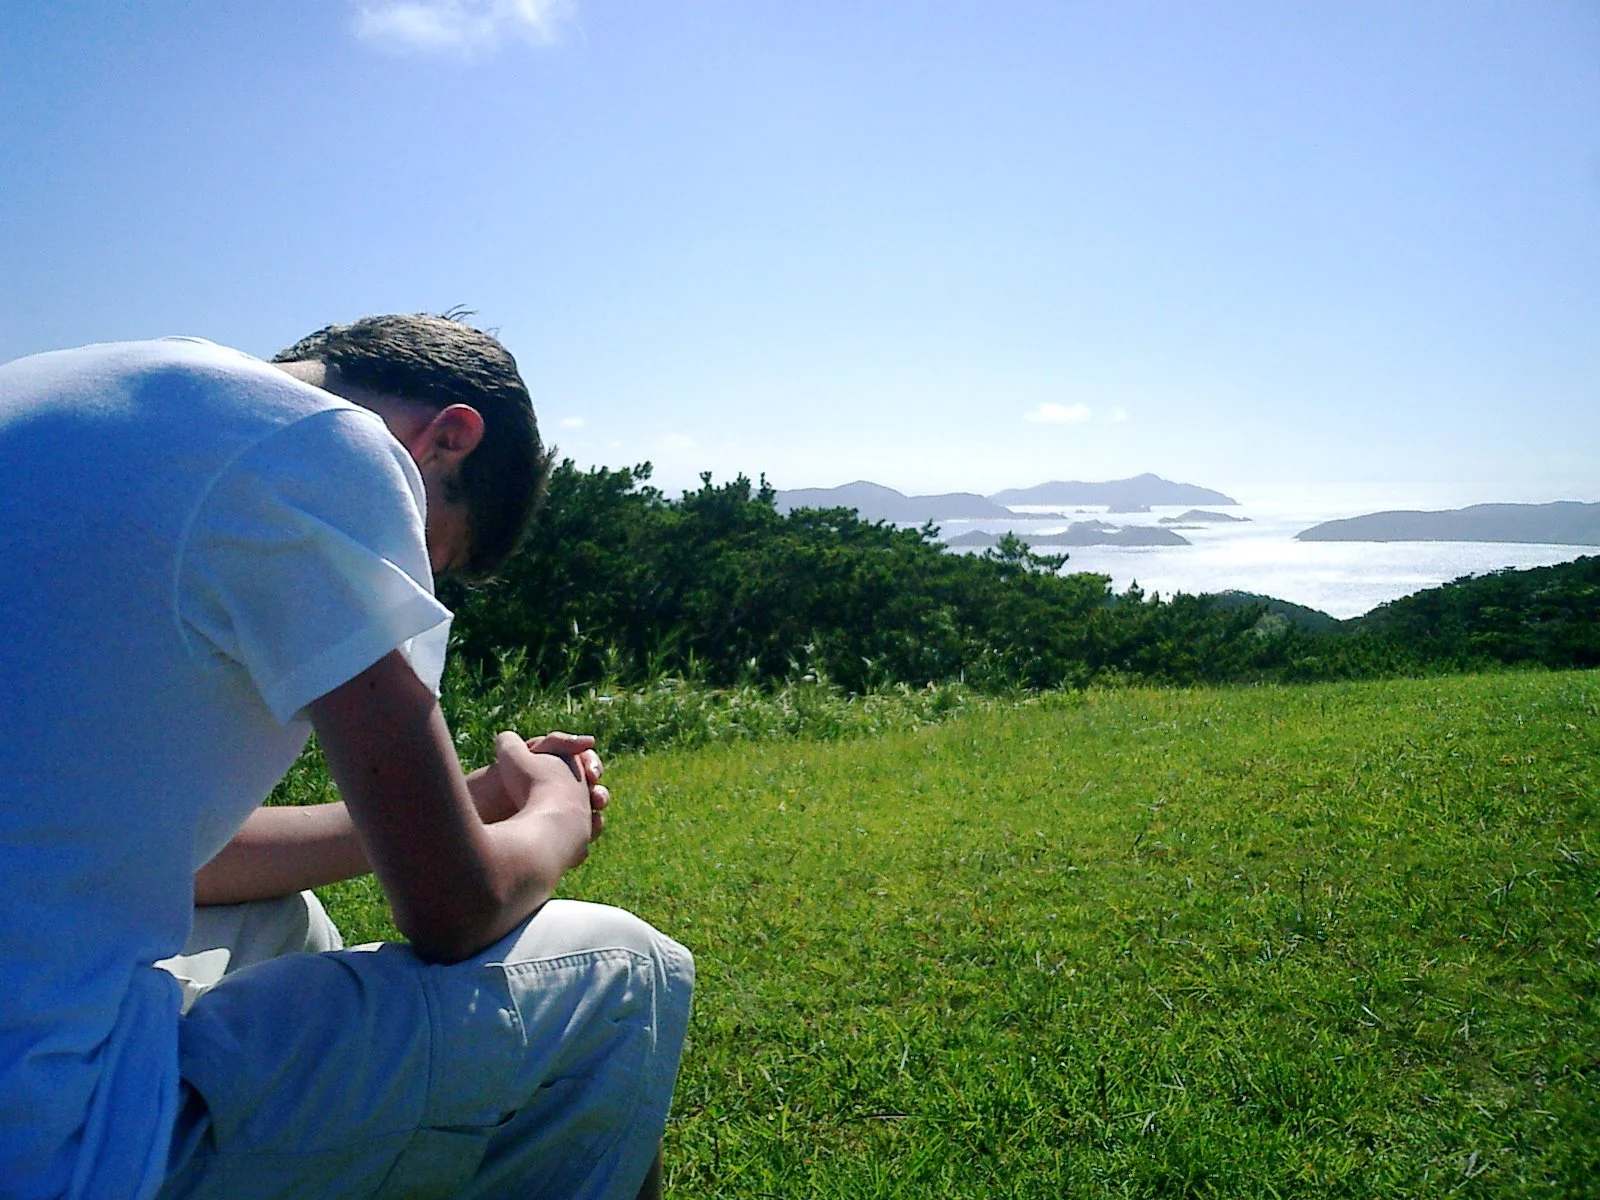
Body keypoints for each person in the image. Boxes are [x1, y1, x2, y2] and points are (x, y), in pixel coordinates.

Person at [0, 316, 693, 1200]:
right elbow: (454, 909)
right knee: (625, 973)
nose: (413, 584)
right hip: (42, 1144)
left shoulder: (73, 392)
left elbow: (179, 861)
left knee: (289, 925)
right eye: (433, 554)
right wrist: (555, 807)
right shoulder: (329, 449)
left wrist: (470, 803)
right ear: (448, 437)